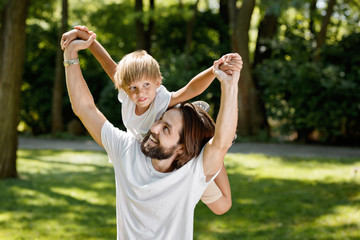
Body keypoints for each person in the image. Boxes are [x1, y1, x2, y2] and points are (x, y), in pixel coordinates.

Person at [63, 33, 241, 239]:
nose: (154, 128)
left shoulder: (190, 173)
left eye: (166, 128)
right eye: (159, 120)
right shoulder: (126, 150)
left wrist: (228, 84)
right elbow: (85, 108)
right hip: (191, 155)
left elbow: (221, 142)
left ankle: (202, 136)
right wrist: (71, 54)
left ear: (182, 148)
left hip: (194, 160)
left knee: (221, 201)